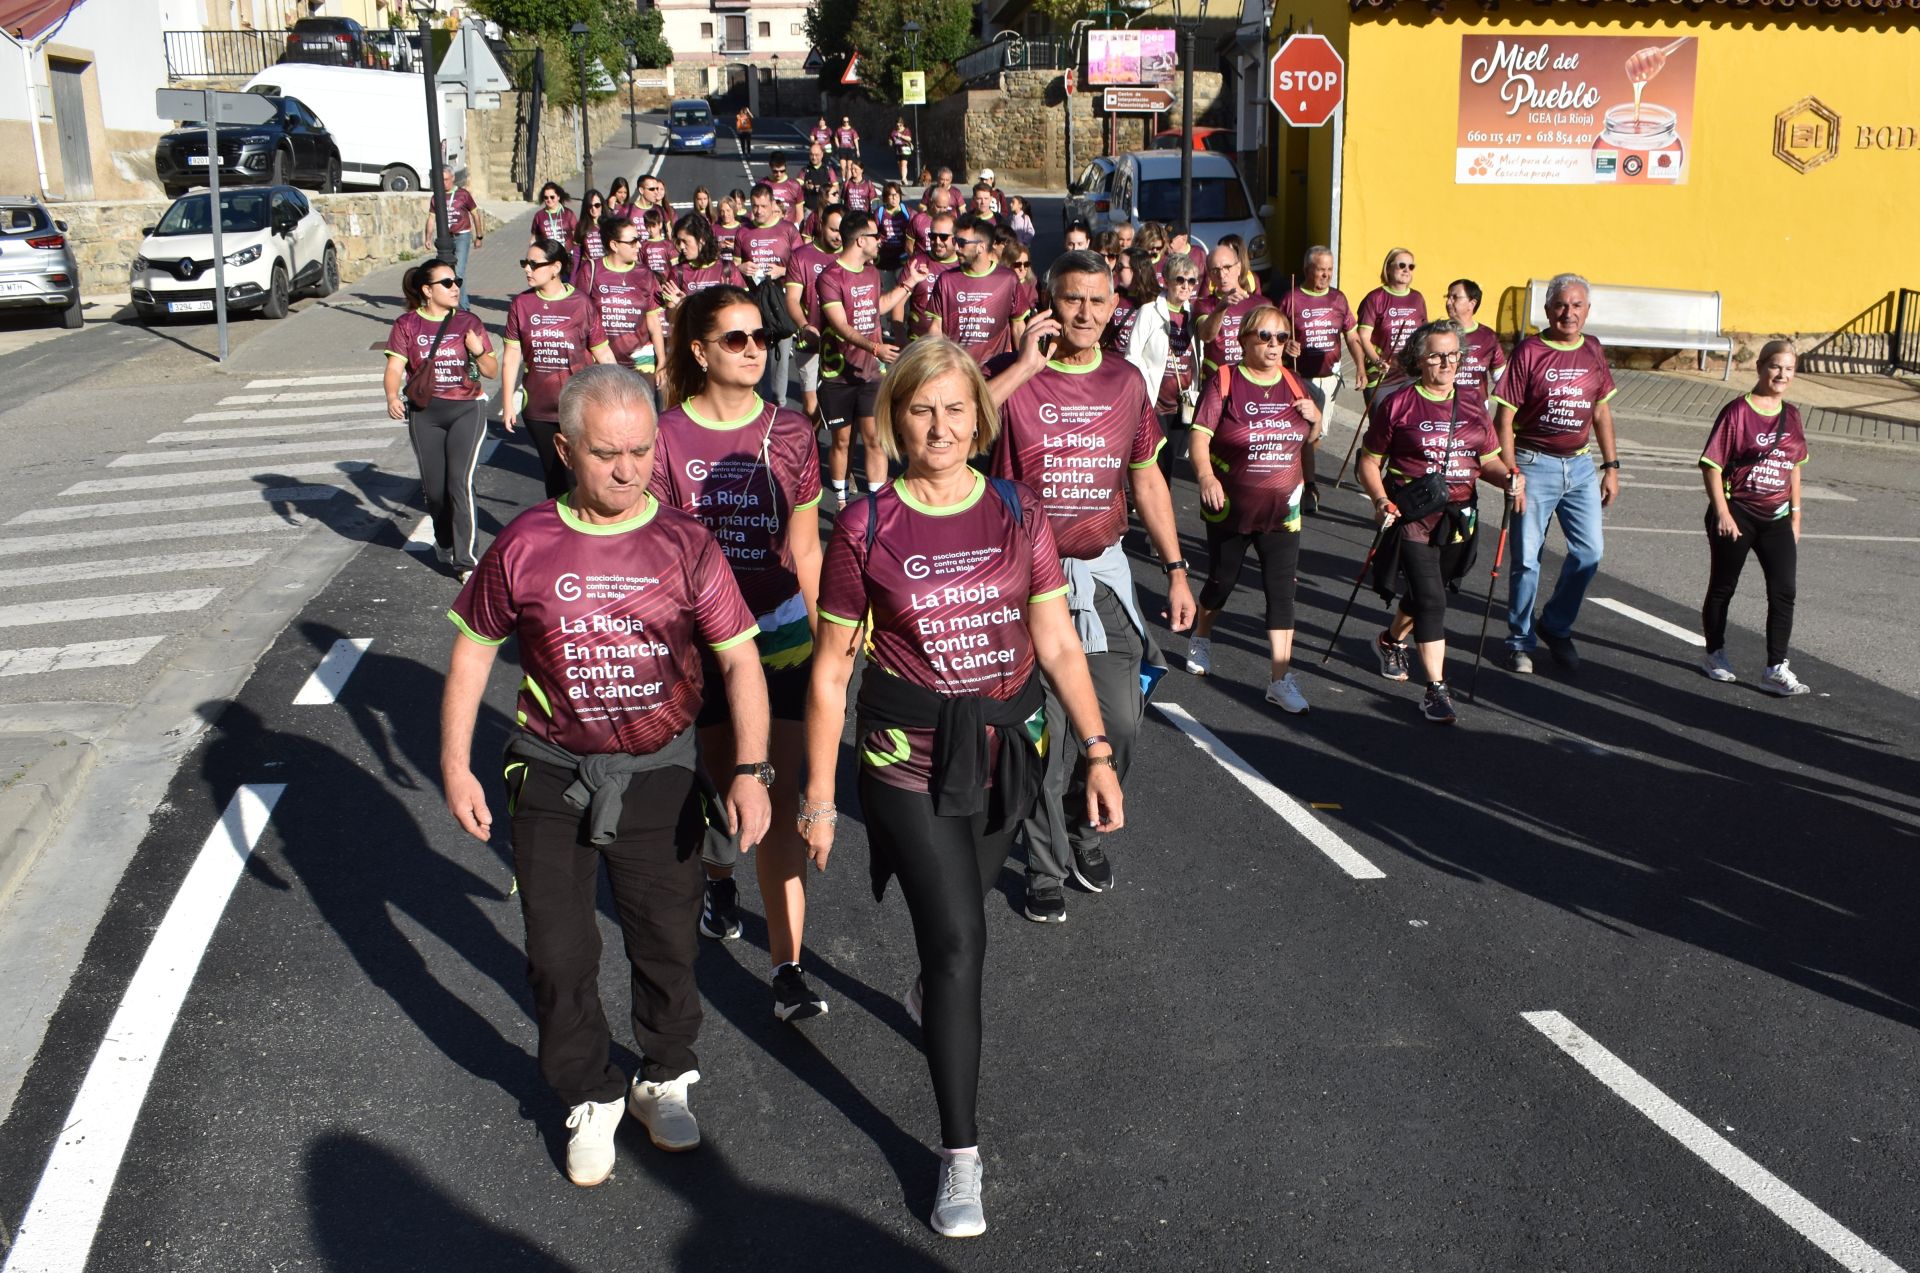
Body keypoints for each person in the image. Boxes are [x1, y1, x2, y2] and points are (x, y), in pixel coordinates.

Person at [804, 338, 1123, 1238]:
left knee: (965, 924)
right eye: (919, 409)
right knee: (957, 939)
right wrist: (820, 796)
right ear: (893, 419)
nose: (939, 427)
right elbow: (832, 671)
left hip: (1008, 748)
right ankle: (959, 1154)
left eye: (955, 409)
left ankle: (934, 991)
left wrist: (1095, 749)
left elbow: (1058, 642)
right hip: (903, 754)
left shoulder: (1020, 511)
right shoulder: (864, 526)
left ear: (981, 418)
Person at [441, 366, 773, 1188]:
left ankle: (663, 1074)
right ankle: (588, 1094)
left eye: (640, 451)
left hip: (661, 774)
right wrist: (454, 762)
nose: (628, 470)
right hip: (552, 773)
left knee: (665, 942)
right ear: (564, 449)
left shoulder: (688, 544)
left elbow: (741, 662)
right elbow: (473, 649)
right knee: (558, 951)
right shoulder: (526, 541)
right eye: (606, 454)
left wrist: (753, 769)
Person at [985, 249, 1195, 923]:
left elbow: (1146, 478)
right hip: (1026, 586)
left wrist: (1176, 567)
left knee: (1119, 725)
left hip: (1103, 577)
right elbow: (952, 434)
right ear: (1048, 302)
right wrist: (1022, 366)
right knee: (1045, 738)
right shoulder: (1009, 374)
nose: (1085, 313)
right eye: (1072, 299)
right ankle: (1044, 865)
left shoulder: (1128, 381)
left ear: (1115, 307)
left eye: (1098, 302)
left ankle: (1082, 825)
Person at [650, 288, 830, 1017]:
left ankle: (788, 971)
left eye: (761, 336)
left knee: (780, 801)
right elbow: (651, 553)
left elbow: (809, 547)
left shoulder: (791, 432)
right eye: (736, 339)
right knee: (731, 802)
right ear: (699, 350)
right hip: (703, 648)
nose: (756, 349)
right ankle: (720, 879)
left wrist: (829, 648)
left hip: (782, 635)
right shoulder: (663, 436)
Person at [1356, 320, 1512, 723]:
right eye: (1437, 355)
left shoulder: (1475, 403)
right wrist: (1380, 499)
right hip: (1413, 516)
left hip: (1459, 517)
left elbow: (1488, 460)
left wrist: (1509, 477)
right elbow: (1368, 461)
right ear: (1420, 360)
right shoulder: (1399, 403)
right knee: (1432, 600)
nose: (1446, 362)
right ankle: (1436, 690)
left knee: (1430, 592)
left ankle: (1391, 641)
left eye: (1453, 354)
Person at [1184, 306, 1322, 713]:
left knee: (1282, 593)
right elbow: (1199, 436)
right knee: (1222, 581)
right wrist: (1207, 478)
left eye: (1281, 337)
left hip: (1283, 510)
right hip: (1231, 506)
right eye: (1264, 336)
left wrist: (1315, 422)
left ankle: (1280, 679)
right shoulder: (1225, 380)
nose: (1274, 345)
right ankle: (1202, 635)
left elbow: (1307, 441)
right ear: (1244, 339)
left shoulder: (1296, 384)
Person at [1493, 272, 1621, 674]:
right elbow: (1505, 417)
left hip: (1580, 467)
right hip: (1533, 464)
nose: (1569, 313)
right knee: (1527, 560)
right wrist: (1511, 471)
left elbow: (1601, 410)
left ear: (1587, 310)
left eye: (1577, 305)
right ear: (1548, 310)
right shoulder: (1530, 351)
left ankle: (1556, 625)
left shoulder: (1594, 349)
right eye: (1561, 305)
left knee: (1589, 554)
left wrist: (1611, 466)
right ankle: (1520, 640)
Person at [1699, 340, 1811, 696]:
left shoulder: (1791, 415)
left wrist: (1795, 517)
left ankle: (1776, 667)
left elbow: (1793, 467)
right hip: (1737, 513)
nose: (1782, 374)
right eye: (1776, 366)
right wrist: (1721, 513)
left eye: (1789, 368)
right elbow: (1711, 465)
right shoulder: (1737, 411)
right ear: (1761, 366)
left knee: (1784, 591)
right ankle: (1714, 653)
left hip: (1776, 518)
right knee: (1723, 586)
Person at [384, 261, 498, 578]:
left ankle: (465, 562)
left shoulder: (469, 321)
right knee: (435, 491)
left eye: (457, 280)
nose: (455, 287)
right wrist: (392, 396)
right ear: (427, 290)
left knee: (459, 483)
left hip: (467, 408)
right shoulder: (407, 324)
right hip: (425, 413)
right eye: (447, 282)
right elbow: (395, 368)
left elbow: (491, 372)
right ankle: (444, 539)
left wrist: (478, 351)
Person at [818, 211, 929, 501]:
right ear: (859, 240)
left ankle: (875, 506)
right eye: (874, 236)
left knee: (875, 440)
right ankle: (841, 502)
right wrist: (875, 347)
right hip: (839, 374)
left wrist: (909, 283)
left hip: (870, 374)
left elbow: (876, 306)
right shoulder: (830, 277)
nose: (880, 241)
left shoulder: (871, 273)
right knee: (842, 441)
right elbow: (840, 326)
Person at [502, 239, 615, 498]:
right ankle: (560, 533)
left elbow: (603, 353)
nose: (527, 270)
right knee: (554, 477)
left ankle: (586, 530)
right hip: (538, 407)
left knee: (578, 475)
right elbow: (511, 356)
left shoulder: (582, 303)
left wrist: (617, 395)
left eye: (533, 264)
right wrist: (508, 402)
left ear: (555, 267)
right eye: (524, 264)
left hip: (578, 405)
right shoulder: (521, 304)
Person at [1275, 246, 1370, 515]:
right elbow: (1274, 333)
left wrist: (1361, 367)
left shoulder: (1338, 299)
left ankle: (1300, 472)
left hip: (1329, 378)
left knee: (1318, 434)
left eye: (1330, 270)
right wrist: (1286, 345)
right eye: (1321, 270)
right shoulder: (1291, 298)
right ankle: (1306, 484)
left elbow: (1351, 336)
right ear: (1307, 271)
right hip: (1298, 377)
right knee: (1304, 430)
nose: (1326, 275)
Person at [1126, 253, 1203, 484]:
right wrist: (1145, 384)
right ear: (1166, 281)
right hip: (1155, 399)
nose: (1185, 286)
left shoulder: (1194, 315)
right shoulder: (1149, 311)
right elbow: (1133, 354)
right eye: (1180, 280)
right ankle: (1155, 503)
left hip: (1183, 401)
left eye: (1191, 281)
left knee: (1174, 456)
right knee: (1157, 454)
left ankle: (1159, 498)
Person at [577, 215, 666, 392]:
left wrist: (662, 360)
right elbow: (580, 319)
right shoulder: (591, 270)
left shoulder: (645, 274)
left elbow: (654, 321)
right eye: (633, 241)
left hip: (641, 363)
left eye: (639, 240)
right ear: (614, 245)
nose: (639, 245)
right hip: (601, 363)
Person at [735, 183, 803, 408]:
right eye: (754, 206)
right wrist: (741, 268)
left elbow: (800, 265)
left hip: (781, 304)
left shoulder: (788, 230)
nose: (758, 211)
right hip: (755, 305)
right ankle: (759, 405)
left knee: (782, 360)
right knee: (756, 354)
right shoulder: (743, 231)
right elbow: (734, 266)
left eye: (763, 206)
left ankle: (779, 405)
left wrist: (782, 271)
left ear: (774, 205)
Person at [927, 213, 1025, 364]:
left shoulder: (1008, 279)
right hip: (958, 369)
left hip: (996, 370)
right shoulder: (946, 280)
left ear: (981, 246)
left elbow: (1018, 326)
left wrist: (1022, 366)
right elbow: (935, 329)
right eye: (955, 241)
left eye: (961, 242)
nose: (956, 247)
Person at [785, 203, 844, 432]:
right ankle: (812, 452)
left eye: (842, 231)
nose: (839, 237)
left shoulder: (848, 256)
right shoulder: (801, 256)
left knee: (841, 411)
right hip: (810, 342)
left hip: (841, 345)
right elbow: (792, 299)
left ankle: (842, 465)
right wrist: (804, 326)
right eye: (833, 230)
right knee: (811, 406)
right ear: (820, 226)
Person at [658, 214, 747, 366]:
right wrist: (679, 307)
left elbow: (745, 310)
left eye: (685, 241)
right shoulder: (678, 272)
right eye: (678, 242)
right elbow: (670, 317)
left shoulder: (727, 268)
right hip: (691, 351)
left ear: (702, 240)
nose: (681, 247)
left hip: (725, 350)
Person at [1355, 247, 1428, 400]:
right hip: (1382, 378)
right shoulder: (1375, 298)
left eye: (1411, 267)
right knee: (1381, 423)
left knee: (1408, 423)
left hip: (1410, 376)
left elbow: (1424, 337)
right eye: (1402, 265)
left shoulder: (1417, 298)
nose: (1407, 270)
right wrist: (1377, 361)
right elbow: (1363, 337)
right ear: (1388, 268)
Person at [1194, 238, 1261, 376]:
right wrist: (1221, 307)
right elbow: (1206, 336)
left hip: (1252, 380)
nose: (1222, 274)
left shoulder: (1261, 304)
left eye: (1227, 267)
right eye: (1215, 270)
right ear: (1210, 276)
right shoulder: (1203, 304)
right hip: (1217, 383)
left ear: (1238, 268)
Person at [1445, 278, 1506, 418]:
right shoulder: (1436, 333)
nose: (1448, 302)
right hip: (1443, 410)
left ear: (1472, 304)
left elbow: (1502, 378)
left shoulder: (1487, 336)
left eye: (1455, 297)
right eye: (1447, 297)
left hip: (1477, 414)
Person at [430, 167, 483, 312]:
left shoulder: (463, 195)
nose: (443, 183)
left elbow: (475, 214)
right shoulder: (437, 196)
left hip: (462, 236)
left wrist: (479, 236)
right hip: (445, 238)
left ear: (453, 178)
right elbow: (431, 217)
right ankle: (458, 304)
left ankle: (462, 308)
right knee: (450, 273)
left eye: (446, 180)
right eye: (440, 180)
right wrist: (427, 237)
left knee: (458, 272)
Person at [907, 209, 960, 338]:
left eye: (943, 237)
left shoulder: (963, 265)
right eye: (932, 236)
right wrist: (899, 337)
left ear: (956, 238)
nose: (937, 241)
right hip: (919, 341)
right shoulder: (917, 262)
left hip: (953, 345)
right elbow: (898, 302)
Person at [1104, 246, 1155, 354]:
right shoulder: (1113, 296)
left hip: (1140, 366)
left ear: (1137, 270)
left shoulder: (1157, 301)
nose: (1116, 271)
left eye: (1120, 267)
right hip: (1113, 362)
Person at [874, 182, 912, 278]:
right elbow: (873, 232)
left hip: (902, 256)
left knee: (901, 285)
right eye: (891, 195)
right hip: (884, 256)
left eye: (897, 194)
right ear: (885, 197)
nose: (894, 197)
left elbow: (914, 232)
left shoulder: (907, 211)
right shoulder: (879, 212)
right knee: (886, 286)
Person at [569, 189, 607, 270]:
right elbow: (576, 255)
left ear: (602, 205)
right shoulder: (581, 226)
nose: (593, 209)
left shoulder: (610, 223)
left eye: (597, 205)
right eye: (590, 206)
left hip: (606, 271)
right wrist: (573, 280)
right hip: (589, 271)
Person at [764, 154, 804, 225]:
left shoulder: (794, 185)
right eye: (775, 171)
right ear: (770, 167)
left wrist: (797, 229)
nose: (779, 174)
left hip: (789, 229)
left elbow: (800, 212)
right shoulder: (763, 184)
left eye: (782, 171)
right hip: (769, 227)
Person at [800, 142, 840, 208]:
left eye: (816, 155)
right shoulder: (804, 170)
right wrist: (805, 186)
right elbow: (797, 187)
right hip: (809, 208)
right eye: (811, 155)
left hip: (825, 208)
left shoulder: (828, 170)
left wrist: (823, 189)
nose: (814, 157)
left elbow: (836, 188)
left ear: (822, 155)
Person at [889, 117, 914, 182]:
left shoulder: (906, 130)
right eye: (897, 125)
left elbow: (909, 138)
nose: (899, 126)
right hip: (897, 149)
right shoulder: (894, 131)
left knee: (904, 163)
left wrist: (901, 136)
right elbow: (891, 138)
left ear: (903, 124)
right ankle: (904, 178)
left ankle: (903, 178)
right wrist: (890, 142)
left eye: (900, 125)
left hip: (905, 148)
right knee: (900, 164)